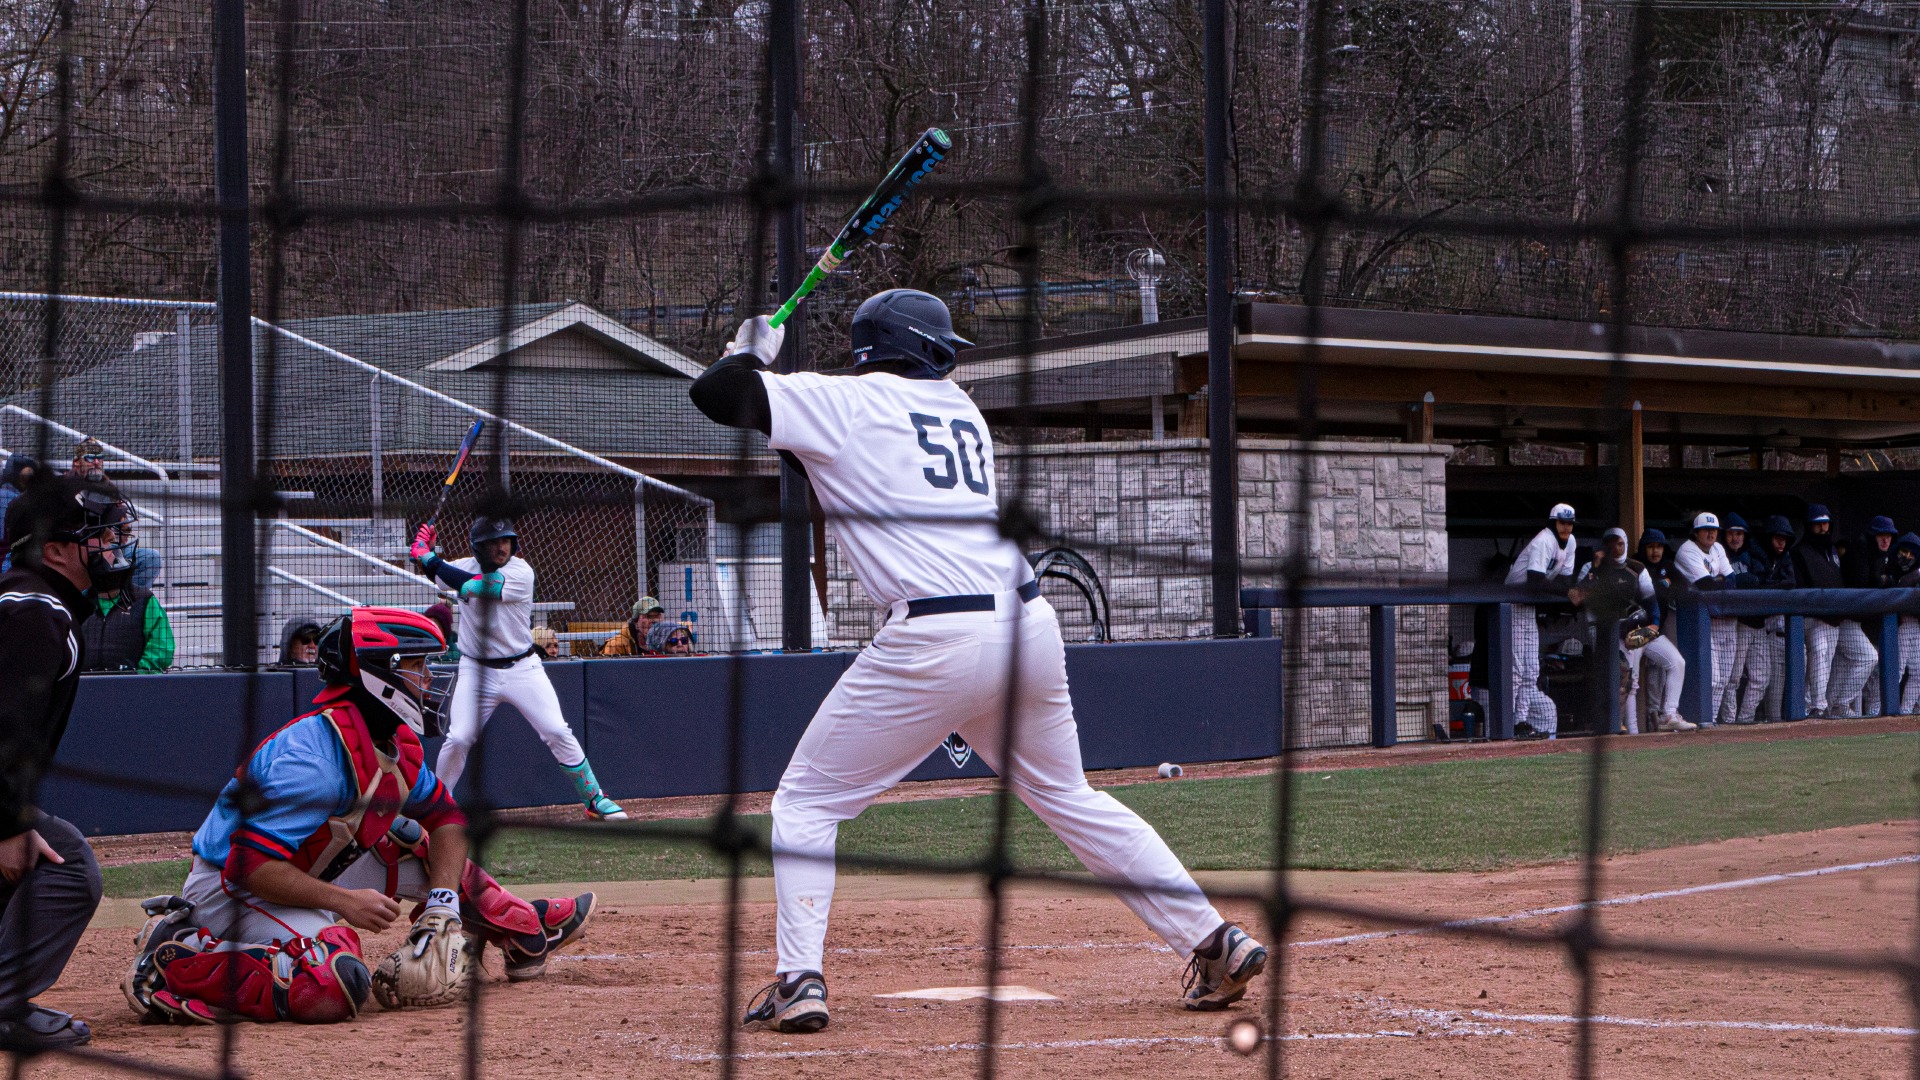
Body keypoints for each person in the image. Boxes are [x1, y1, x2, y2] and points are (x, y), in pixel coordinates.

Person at [690, 289, 1268, 1032]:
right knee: (1072, 797)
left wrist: (749, 354)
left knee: (806, 803)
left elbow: (715, 395)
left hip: (937, 635)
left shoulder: (846, 400)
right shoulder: (958, 408)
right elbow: (826, 468)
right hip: (1028, 624)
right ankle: (1216, 938)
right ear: (929, 349)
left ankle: (800, 978)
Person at [120, 606, 595, 1025]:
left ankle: (524, 929)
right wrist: (345, 904)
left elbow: (448, 820)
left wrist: (443, 904)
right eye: (417, 666)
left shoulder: (391, 742)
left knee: (414, 842)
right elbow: (247, 865)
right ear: (376, 675)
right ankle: (178, 960)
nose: (428, 679)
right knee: (336, 984)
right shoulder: (311, 759)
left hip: (301, 867)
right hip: (229, 890)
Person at [0, 474, 134, 1049]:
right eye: (100, 536)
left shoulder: (33, 602)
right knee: (69, 866)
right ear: (53, 551)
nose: (115, 545)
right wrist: (9, 823)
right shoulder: (34, 610)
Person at [410, 517, 627, 820]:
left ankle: (594, 799)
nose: (501, 547)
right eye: (493, 542)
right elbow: (441, 575)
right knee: (458, 737)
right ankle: (436, 806)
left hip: (523, 668)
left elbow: (469, 585)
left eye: (505, 541)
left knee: (555, 730)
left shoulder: (520, 572)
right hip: (476, 670)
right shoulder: (464, 566)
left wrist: (428, 557)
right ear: (477, 546)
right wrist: (426, 553)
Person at [1575, 527, 1693, 733]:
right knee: (1630, 681)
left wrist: (1654, 625)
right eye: (1611, 544)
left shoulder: (1636, 567)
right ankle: (1630, 731)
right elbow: (1577, 597)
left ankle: (1669, 715)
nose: (1616, 548)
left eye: (1620, 544)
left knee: (1677, 662)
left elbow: (1650, 599)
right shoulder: (1590, 568)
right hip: (1610, 633)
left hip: (1639, 628)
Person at [1502, 504, 1579, 739]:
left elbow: (1564, 581)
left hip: (1529, 607)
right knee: (1515, 669)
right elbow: (1535, 580)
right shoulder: (1543, 540)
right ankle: (1506, 721)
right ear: (1552, 523)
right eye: (1561, 522)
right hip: (1511, 604)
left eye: (1569, 523)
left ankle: (1520, 721)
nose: (1566, 527)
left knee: (1532, 668)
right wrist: (1567, 595)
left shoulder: (1571, 542)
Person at [78, 506, 173, 672]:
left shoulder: (144, 600)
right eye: (108, 541)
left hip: (131, 690)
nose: (118, 544)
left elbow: (161, 650)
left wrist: (136, 680)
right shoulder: (75, 601)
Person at [1735, 516, 1799, 724]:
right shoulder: (1752, 554)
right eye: (1777, 538)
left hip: (1761, 625)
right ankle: (1725, 720)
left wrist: (1770, 584)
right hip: (1741, 624)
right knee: (1732, 678)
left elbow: (1791, 582)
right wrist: (1774, 584)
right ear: (1768, 537)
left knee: (1762, 678)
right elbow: (1755, 585)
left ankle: (1745, 719)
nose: (1781, 543)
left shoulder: (1784, 557)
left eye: (1785, 539)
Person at [1674, 512, 1736, 727]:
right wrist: (1719, 580)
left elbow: (1732, 580)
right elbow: (1706, 586)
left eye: (1714, 530)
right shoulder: (1687, 550)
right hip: (1694, 621)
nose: (1710, 533)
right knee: (1713, 678)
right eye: (1705, 530)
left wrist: (1718, 580)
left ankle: (1713, 719)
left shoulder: (1718, 548)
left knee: (1724, 679)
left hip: (1720, 619)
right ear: (1696, 532)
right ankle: (1703, 718)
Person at [1836, 514, 1896, 716]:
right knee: (1868, 658)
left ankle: (1834, 707)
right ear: (1873, 536)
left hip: (1852, 621)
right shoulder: (1861, 550)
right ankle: (1841, 705)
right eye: (1881, 536)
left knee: (1842, 665)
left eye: (1889, 536)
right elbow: (1865, 585)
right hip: (1844, 618)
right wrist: (1884, 581)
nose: (1886, 540)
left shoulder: (1876, 554)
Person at [1790, 505, 1844, 717]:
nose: (1823, 528)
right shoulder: (1799, 551)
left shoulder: (1831, 550)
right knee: (1819, 654)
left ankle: (1818, 705)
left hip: (1834, 617)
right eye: (1818, 524)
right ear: (1809, 526)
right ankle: (1817, 706)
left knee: (1826, 660)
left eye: (1826, 523)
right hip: (1811, 618)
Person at [1891, 533, 1920, 714]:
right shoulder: (1891, 569)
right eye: (1904, 551)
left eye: (1912, 553)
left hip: (1914, 624)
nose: (1907, 557)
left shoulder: (1917, 573)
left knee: (1918, 672)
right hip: (1898, 625)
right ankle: (1887, 708)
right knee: (1896, 669)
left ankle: (1905, 710)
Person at [599, 596, 666, 657]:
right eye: (648, 616)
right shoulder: (615, 645)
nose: (654, 620)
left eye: (657, 616)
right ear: (636, 622)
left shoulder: (666, 642)